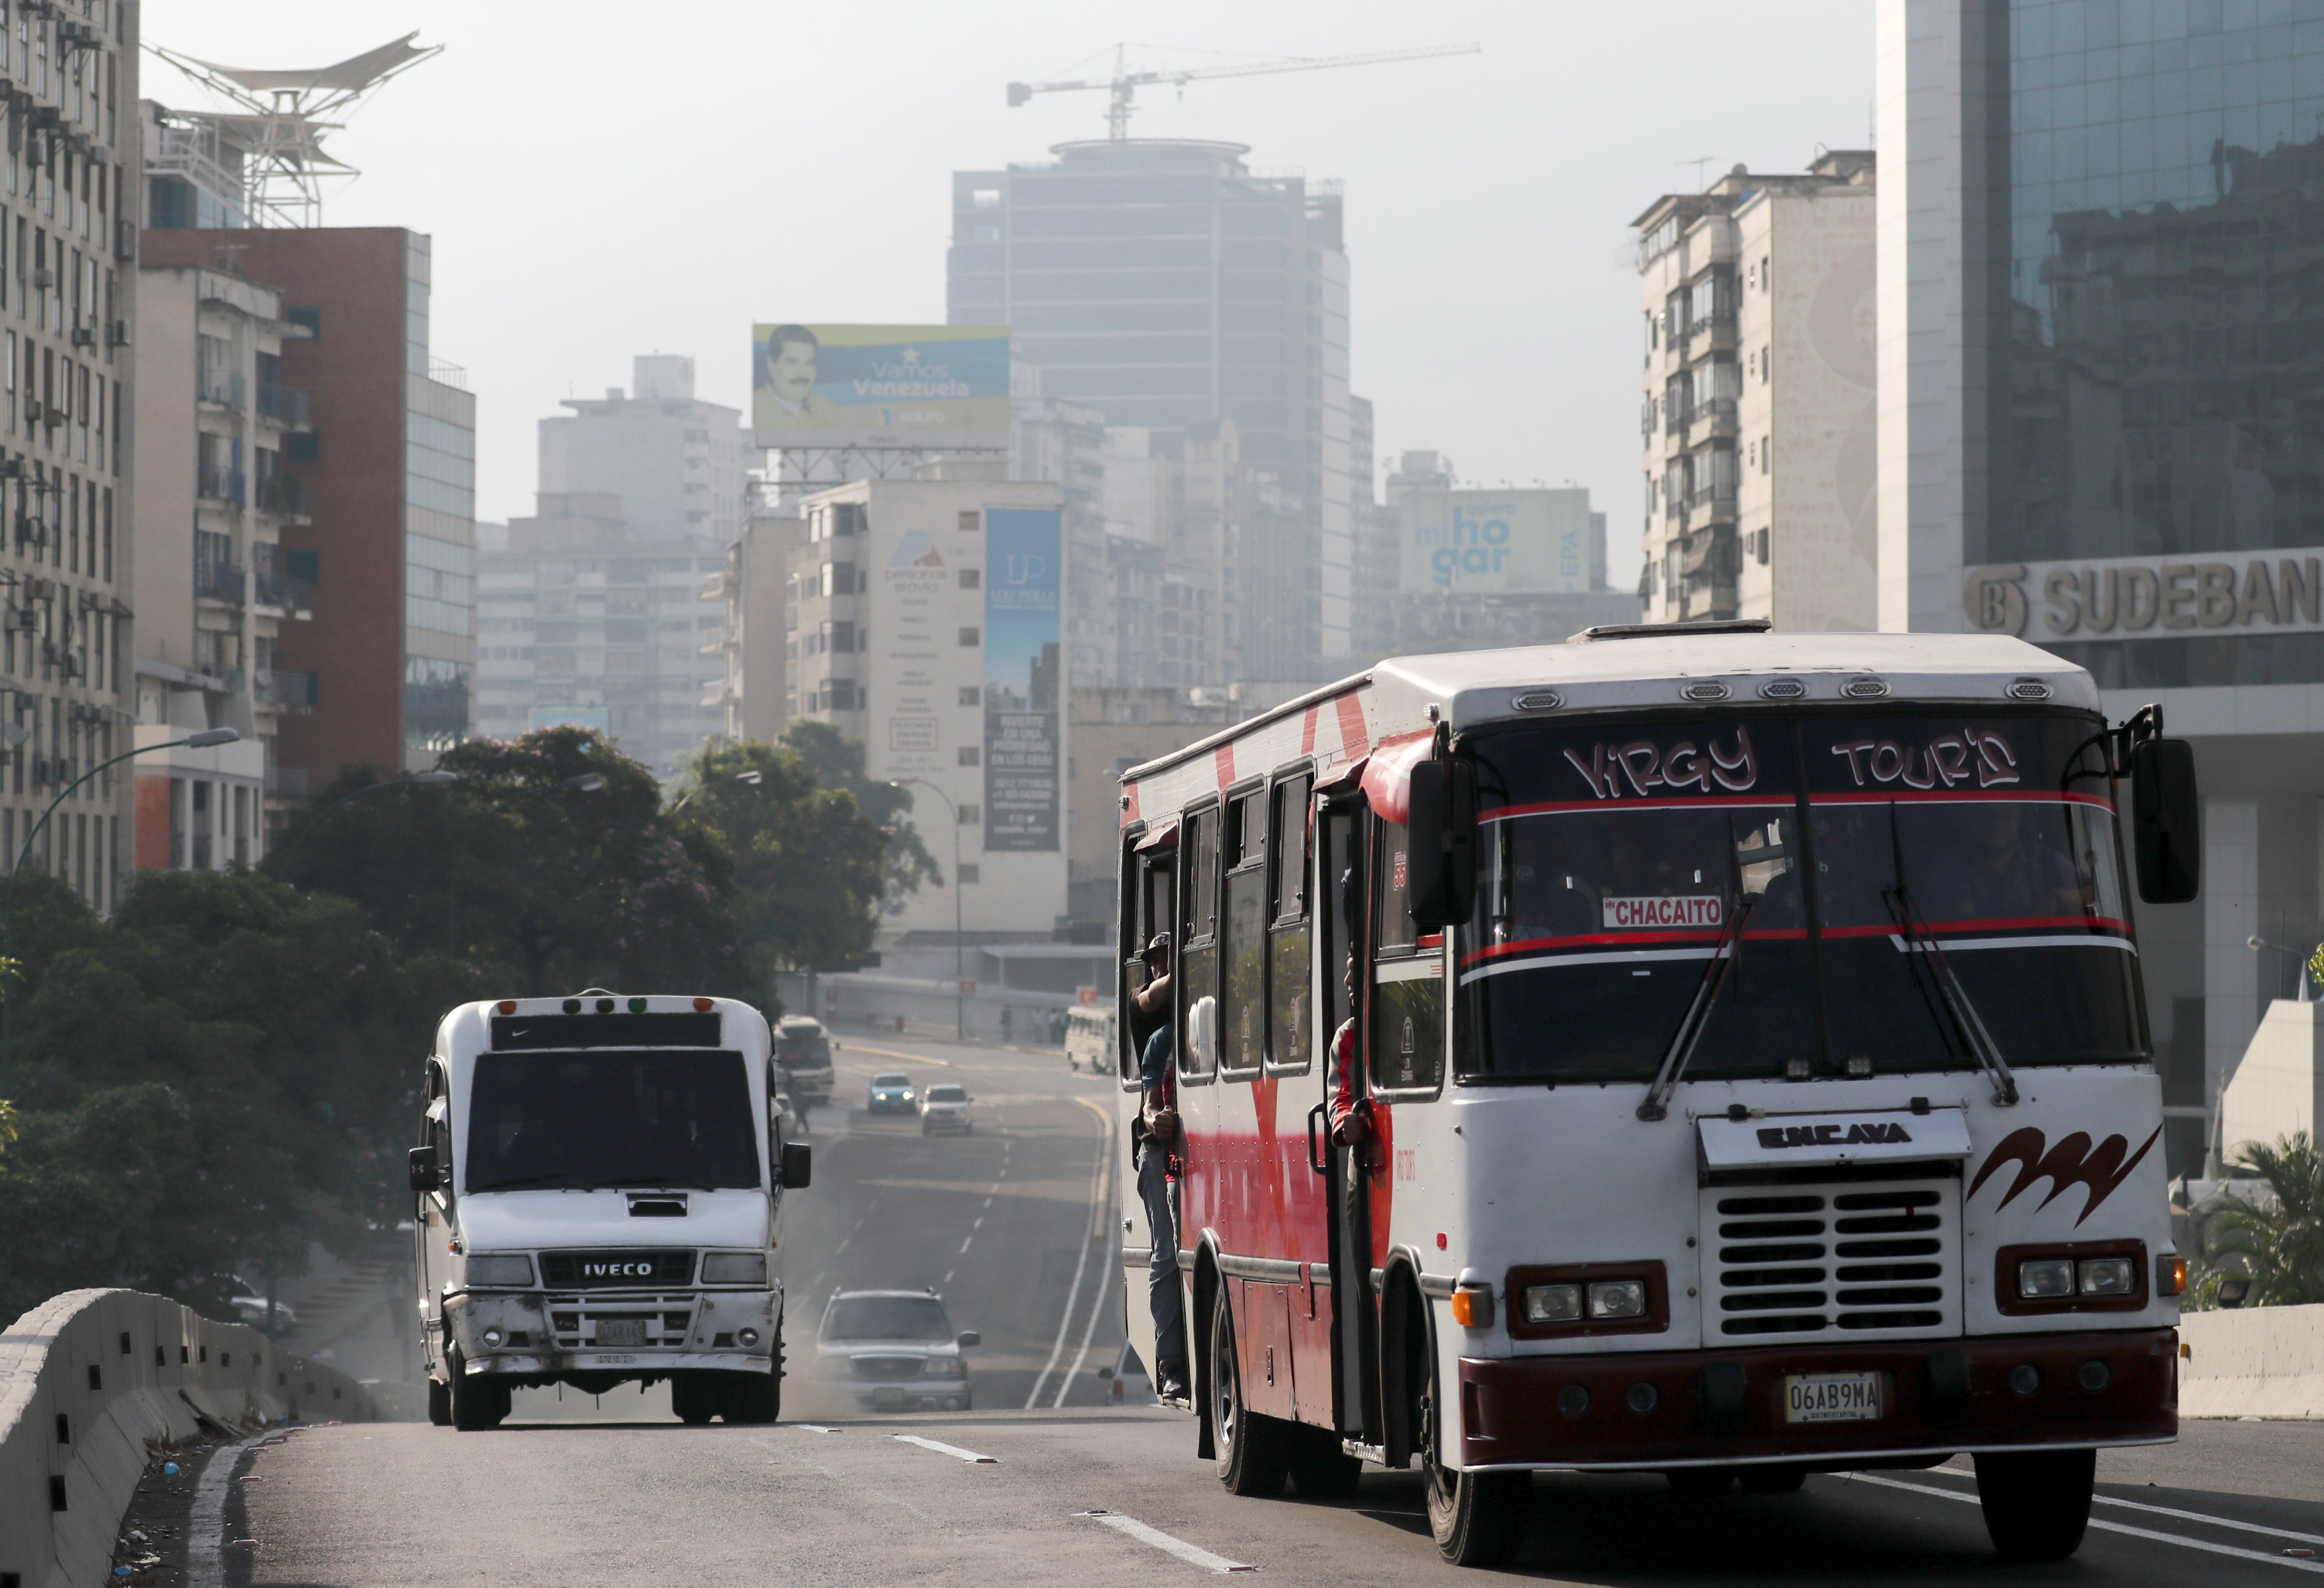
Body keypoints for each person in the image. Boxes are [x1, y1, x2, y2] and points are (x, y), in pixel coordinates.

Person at [1130, 932, 1189, 1400]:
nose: (1158, 969)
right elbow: (1148, 1105)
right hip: (1159, 1153)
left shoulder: (1210, 1025)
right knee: (1166, 1255)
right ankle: (1170, 1363)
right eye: (1152, 962)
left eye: (1166, 959)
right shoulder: (1155, 1030)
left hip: (1202, 1155)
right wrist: (1159, 1119)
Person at [757, 324, 843, 429]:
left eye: (809, 363)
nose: (802, 374)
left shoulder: (827, 410)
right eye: (792, 363)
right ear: (771, 365)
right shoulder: (753, 410)